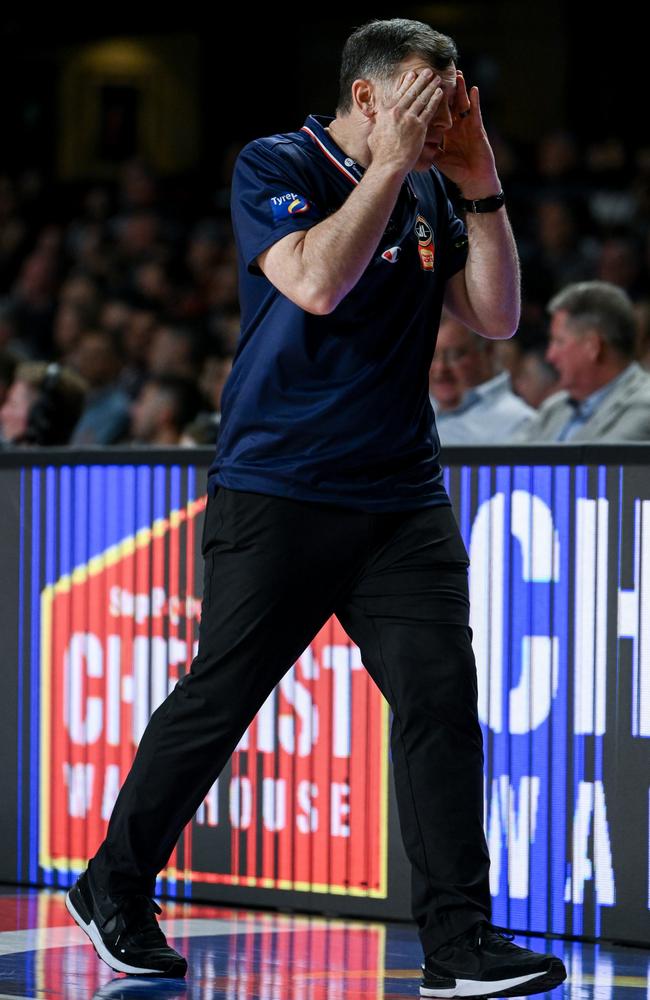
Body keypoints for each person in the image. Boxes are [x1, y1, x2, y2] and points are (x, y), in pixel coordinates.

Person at [66, 18, 567, 998]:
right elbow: (314, 281)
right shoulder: (275, 160)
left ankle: (456, 941)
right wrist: (387, 168)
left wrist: (481, 179)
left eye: (453, 96)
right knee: (222, 697)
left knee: (439, 699)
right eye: (427, 97)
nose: (443, 114)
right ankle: (113, 883)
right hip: (281, 484)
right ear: (371, 96)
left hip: (398, 497)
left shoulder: (431, 185)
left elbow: (498, 316)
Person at [514, 280, 650, 441]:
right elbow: (512, 462)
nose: (550, 356)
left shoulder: (643, 405)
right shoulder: (553, 408)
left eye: (559, 341)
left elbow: (600, 464)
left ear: (592, 346)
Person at [429, 313, 534, 443]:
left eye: (454, 355)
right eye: (431, 356)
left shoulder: (519, 422)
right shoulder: (411, 409)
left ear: (488, 351)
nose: (440, 369)